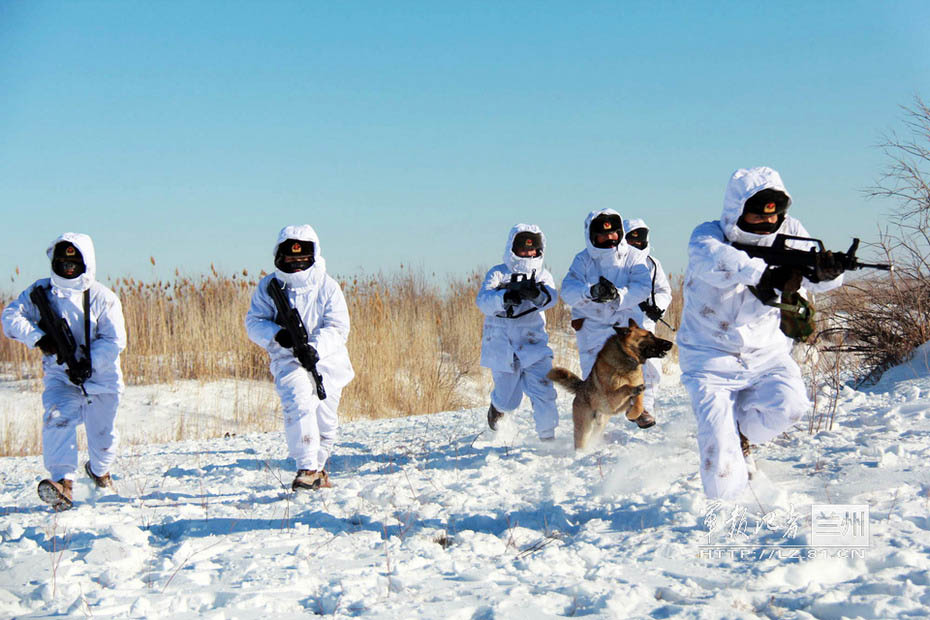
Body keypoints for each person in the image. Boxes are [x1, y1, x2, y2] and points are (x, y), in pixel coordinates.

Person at [677, 166, 846, 499]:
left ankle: (742, 432)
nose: (768, 222)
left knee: (791, 406)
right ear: (737, 211)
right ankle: (727, 519)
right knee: (719, 457)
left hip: (767, 353)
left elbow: (814, 276)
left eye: (775, 215)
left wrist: (828, 273)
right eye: (757, 216)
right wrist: (766, 275)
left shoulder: (792, 231)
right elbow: (719, 261)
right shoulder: (707, 236)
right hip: (709, 357)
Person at [2, 233, 127, 510]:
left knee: (103, 438)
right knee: (57, 418)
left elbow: (115, 341)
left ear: (86, 263)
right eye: (62, 262)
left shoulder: (103, 298)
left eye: (74, 263)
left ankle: (99, 471)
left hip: (102, 377)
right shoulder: (41, 292)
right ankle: (63, 484)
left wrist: (89, 363)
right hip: (60, 374)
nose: (68, 268)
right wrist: (38, 338)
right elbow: (10, 317)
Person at [245, 225, 354, 491]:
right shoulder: (269, 286)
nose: (296, 263)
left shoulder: (328, 286)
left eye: (302, 259)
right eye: (291, 259)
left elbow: (338, 327)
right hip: (288, 359)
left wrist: (315, 348)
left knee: (326, 421)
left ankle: (317, 468)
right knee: (299, 403)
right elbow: (253, 322)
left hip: (327, 361)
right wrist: (277, 335)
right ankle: (306, 467)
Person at [560, 209, 654, 427]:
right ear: (592, 236)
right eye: (603, 236)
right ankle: (594, 423)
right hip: (594, 327)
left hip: (625, 324)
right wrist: (590, 292)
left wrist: (619, 295)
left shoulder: (633, 256)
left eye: (614, 234)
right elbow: (568, 289)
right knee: (596, 377)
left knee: (636, 368)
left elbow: (642, 286)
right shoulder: (582, 260)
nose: (610, 238)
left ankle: (639, 408)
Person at [476, 224, 560, 440]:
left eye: (533, 249)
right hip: (502, 346)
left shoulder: (543, 275)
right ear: (513, 249)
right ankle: (497, 407)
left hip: (533, 344)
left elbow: (551, 299)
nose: (529, 253)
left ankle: (547, 438)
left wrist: (536, 294)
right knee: (508, 400)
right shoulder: (498, 273)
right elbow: (483, 301)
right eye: (523, 249)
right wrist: (504, 298)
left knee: (544, 392)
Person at [623, 218, 673, 426]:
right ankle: (624, 406)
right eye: (631, 241)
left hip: (646, 324)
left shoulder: (653, 263)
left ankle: (644, 409)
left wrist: (658, 306)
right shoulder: (617, 263)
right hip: (621, 324)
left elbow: (664, 290)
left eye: (640, 241)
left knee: (651, 368)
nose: (636, 245)